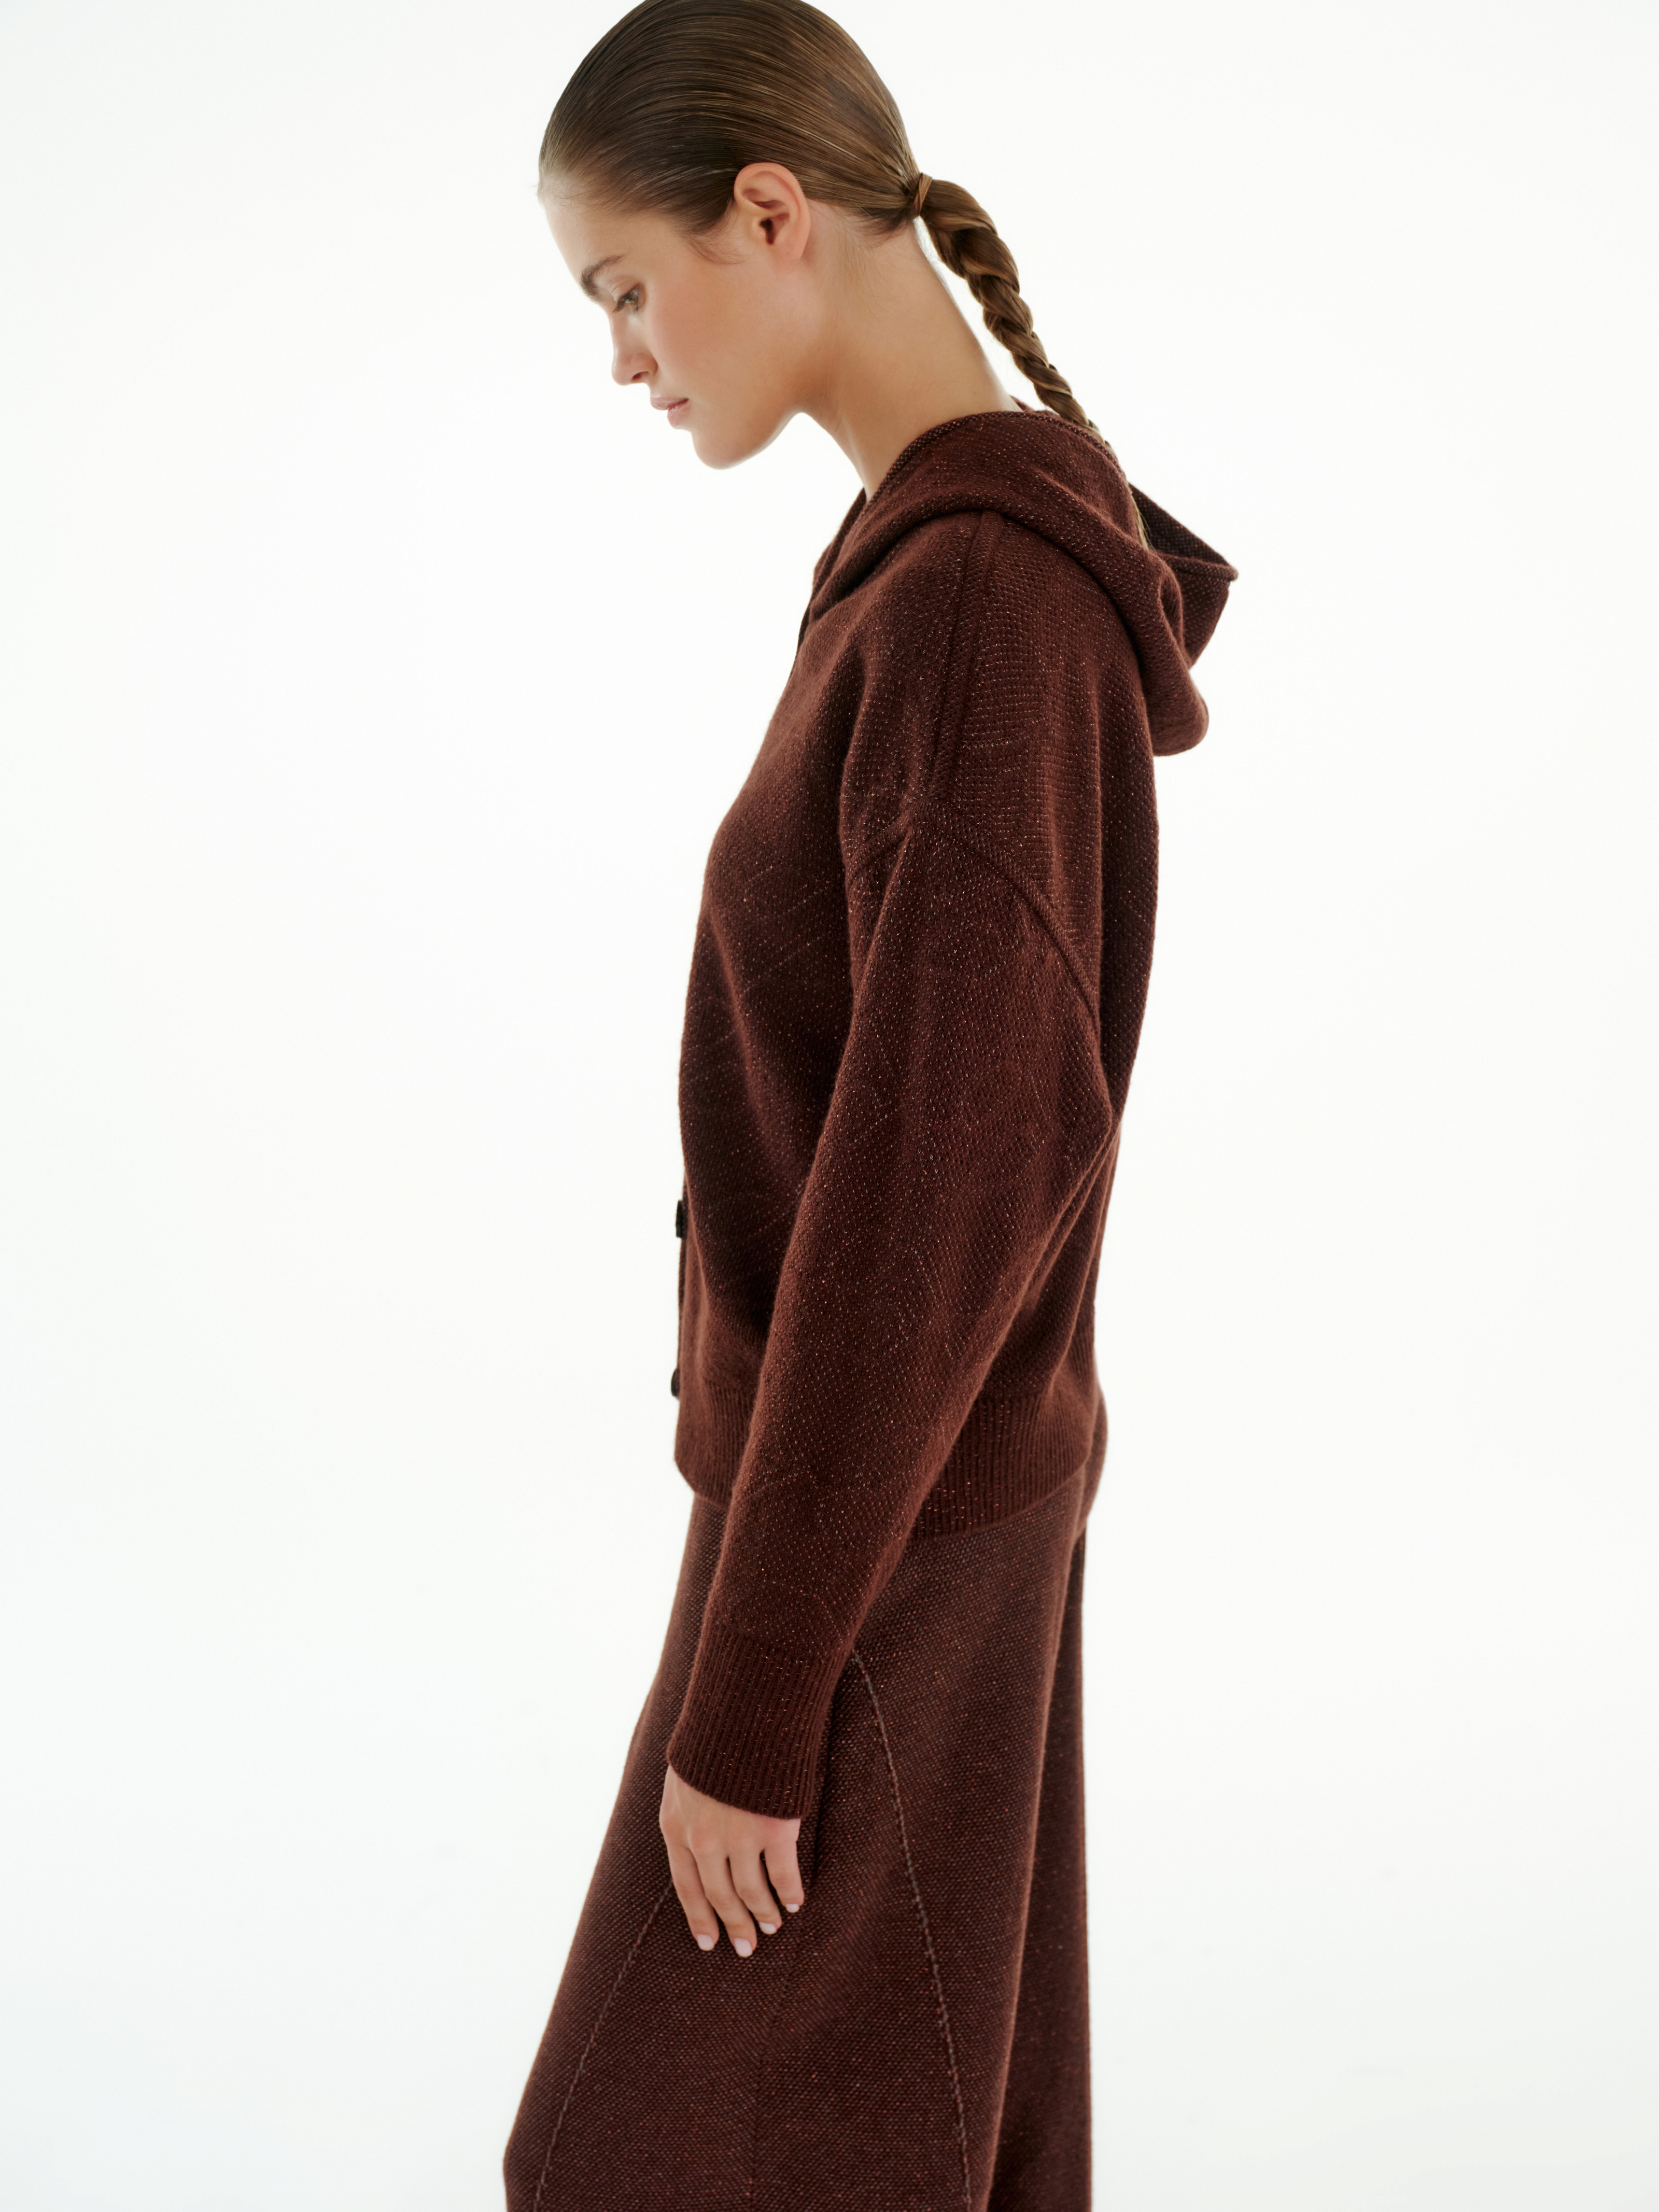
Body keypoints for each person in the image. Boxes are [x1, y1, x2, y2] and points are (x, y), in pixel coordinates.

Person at [504, 3, 1236, 2204]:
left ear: (767, 213)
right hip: (875, 1520)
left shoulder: (983, 607)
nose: (623, 359)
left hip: (874, 1546)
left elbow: (934, 1184)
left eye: (624, 288)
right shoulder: (941, 581)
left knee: (630, 2163)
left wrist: (754, 1702)